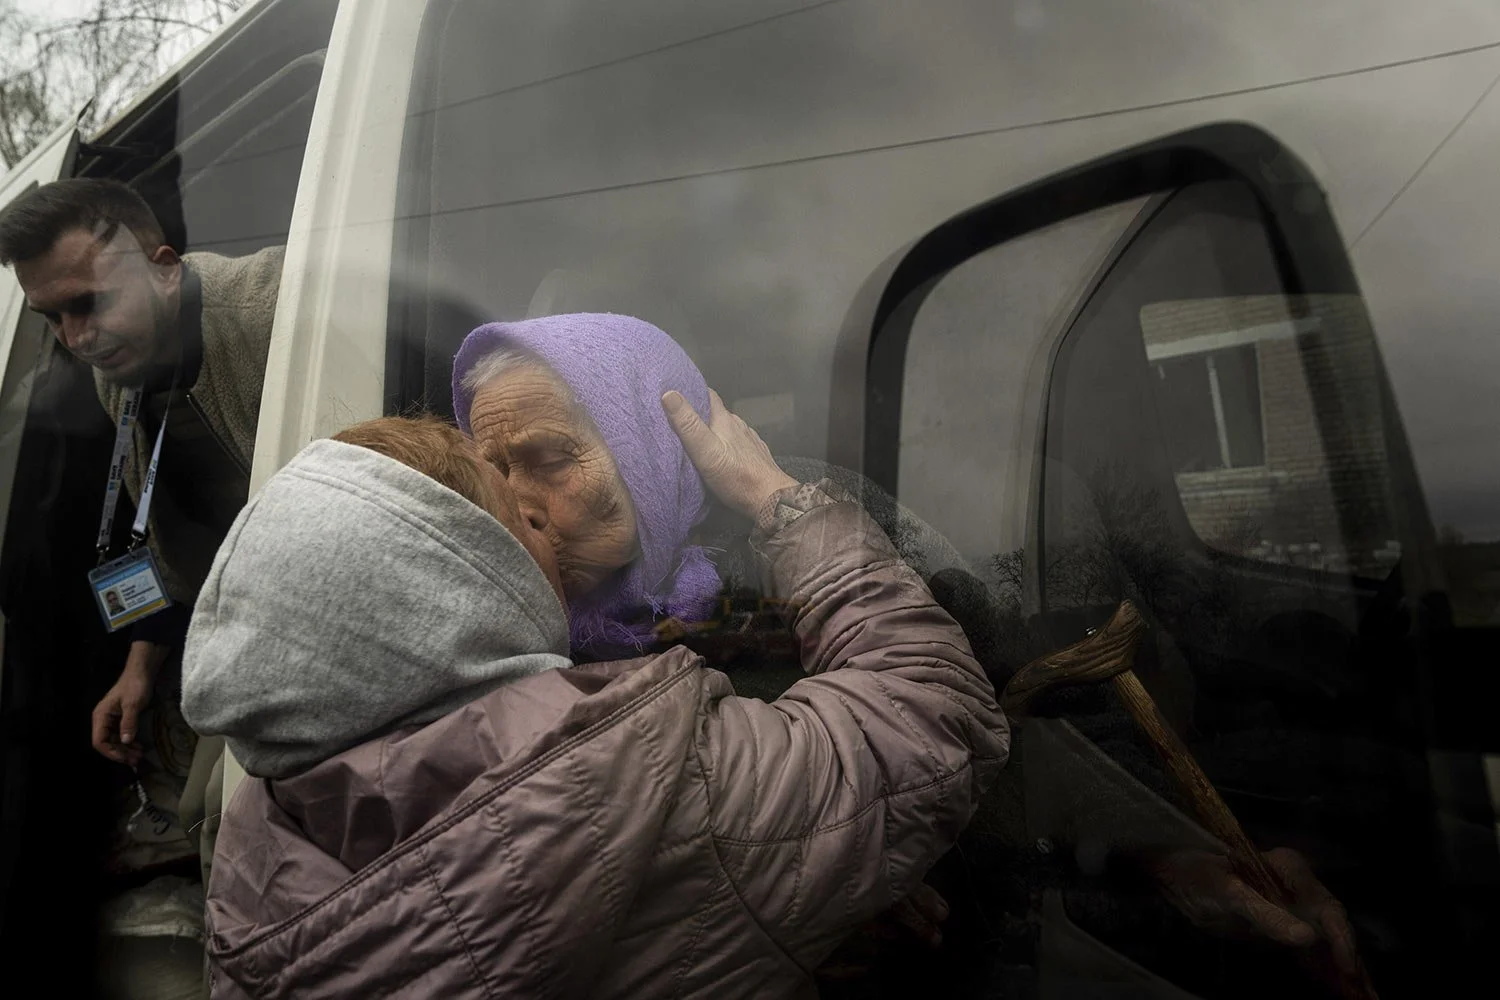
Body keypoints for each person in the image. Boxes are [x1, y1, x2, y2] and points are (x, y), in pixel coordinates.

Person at [452, 313, 1375, 998]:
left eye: (547, 456)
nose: (517, 503)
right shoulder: (486, 642)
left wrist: (1172, 855)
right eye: (492, 472)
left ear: (651, 443)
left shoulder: (804, 546)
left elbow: (1002, 721)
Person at [180, 410, 1010, 998]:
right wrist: (776, 499)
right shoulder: (646, 776)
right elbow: (930, 712)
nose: (537, 514)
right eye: (511, 514)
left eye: (549, 457)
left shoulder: (255, 846)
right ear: (449, 592)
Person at [0, 178, 281, 990]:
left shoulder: (276, 313)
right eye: (51, 317)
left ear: (164, 264)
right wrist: (140, 664)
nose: (75, 337)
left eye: (87, 303)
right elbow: (164, 535)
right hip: (222, 637)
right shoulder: (113, 367)